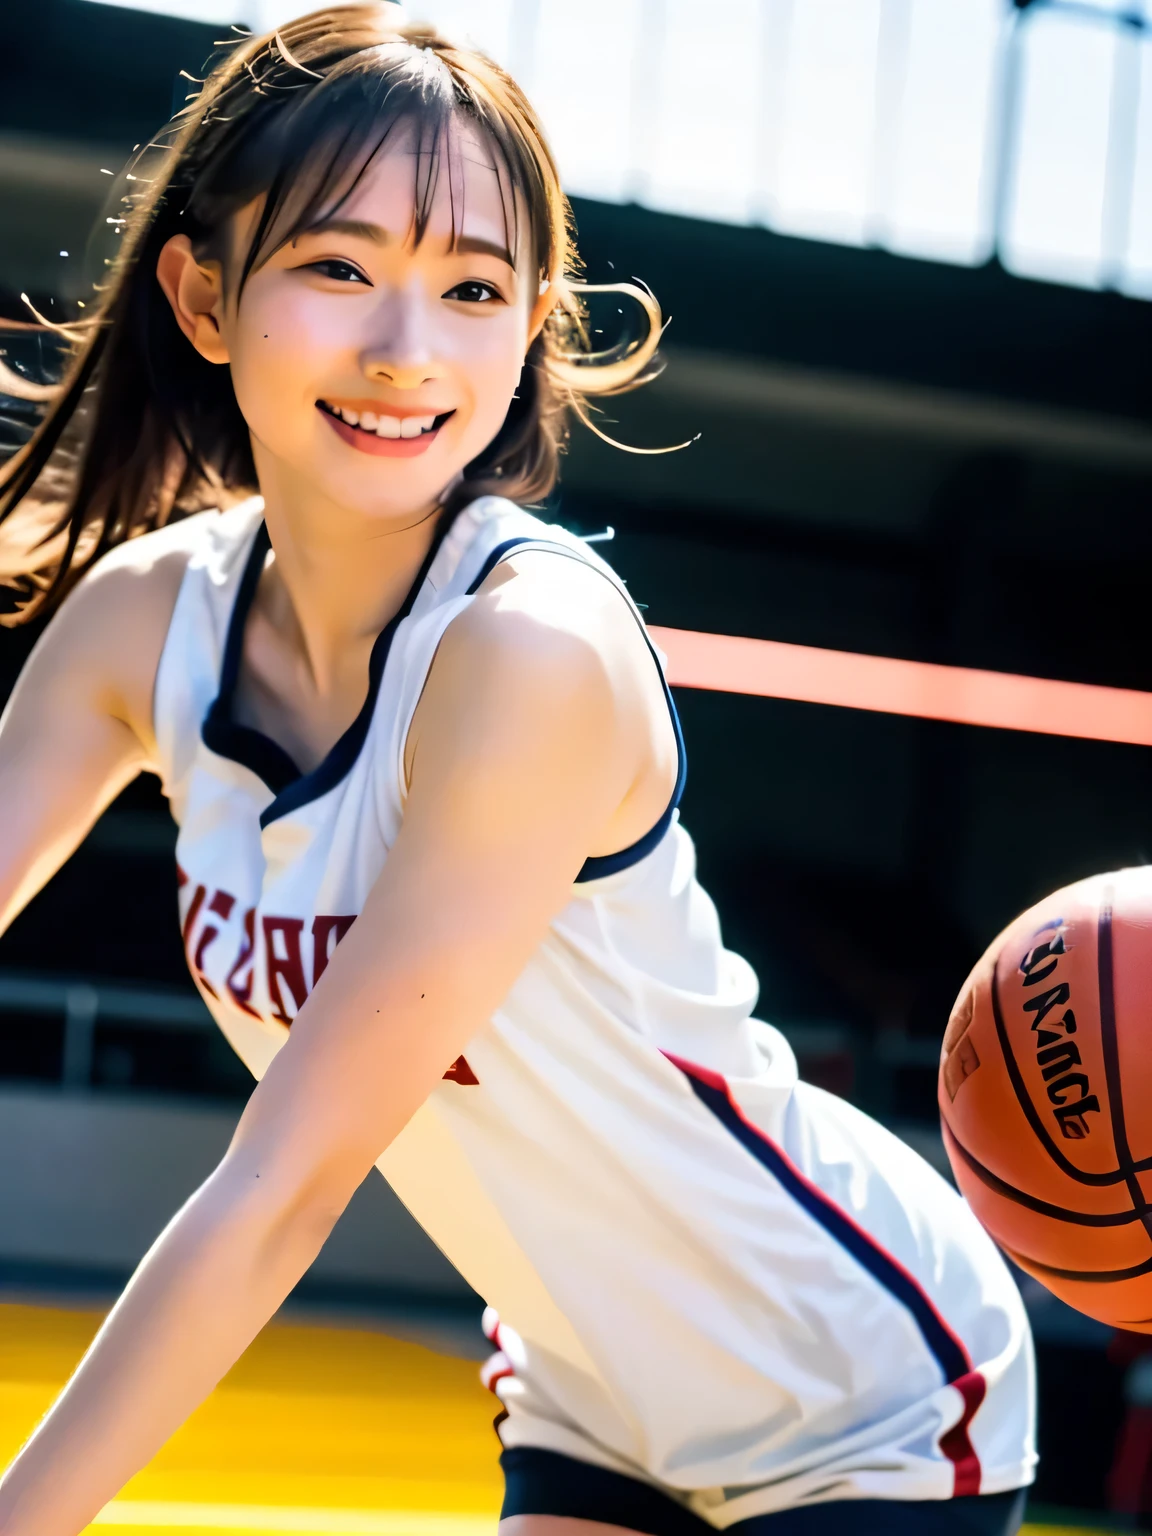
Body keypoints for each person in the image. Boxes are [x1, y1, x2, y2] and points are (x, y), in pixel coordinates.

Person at [0, 10, 1034, 1535]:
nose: (407, 352)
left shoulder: (522, 655)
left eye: (473, 289)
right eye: (339, 267)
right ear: (203, 296)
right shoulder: (144, 626)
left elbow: (286, 1184)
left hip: (861, 1391)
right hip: (586, 1393)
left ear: (531, 325)